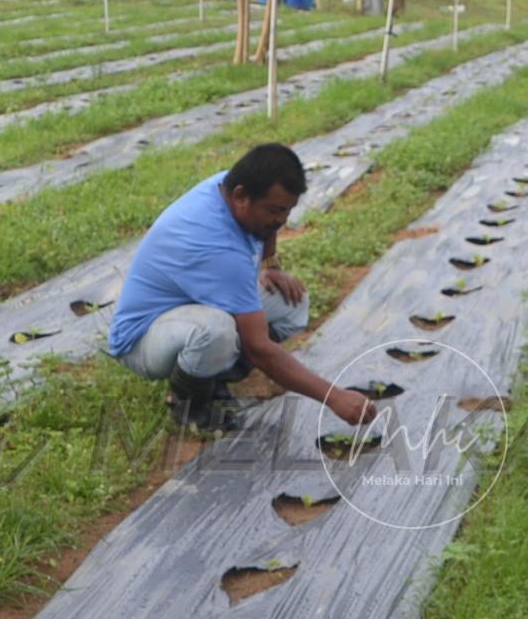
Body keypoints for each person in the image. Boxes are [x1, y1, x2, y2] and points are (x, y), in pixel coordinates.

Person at [108, 143, 379, 431]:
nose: (281, 220)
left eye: (287, 211)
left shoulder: (230, 186)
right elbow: (259, 348)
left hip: (189, 307)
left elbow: (269, 228)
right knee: (216, 331)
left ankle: (214, 377)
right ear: (241, 197)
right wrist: (334, 397)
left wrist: (271, 265)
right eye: (275, 210)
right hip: (142, 338)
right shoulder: (219, 250)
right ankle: (189, 406)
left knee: (291, 303)